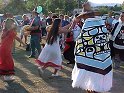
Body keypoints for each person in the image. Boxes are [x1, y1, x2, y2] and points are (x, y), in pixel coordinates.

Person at [72, 2, 112, 93]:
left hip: (91, 57)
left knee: (91, 80)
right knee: (97, 81)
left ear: (86, 16)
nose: (83, 19)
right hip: (102, 56)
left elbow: (82, 41)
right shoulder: (101, 24)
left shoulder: (88, 24)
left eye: (83, 17)